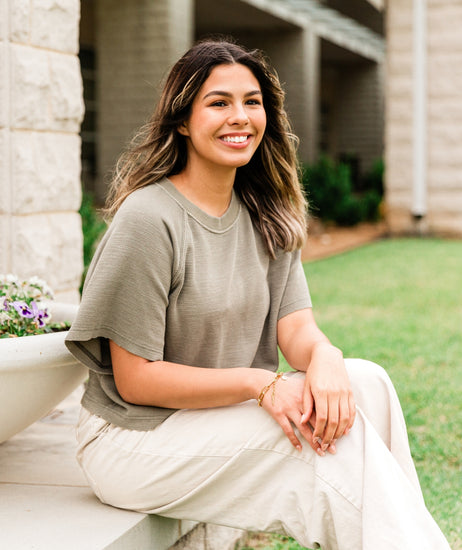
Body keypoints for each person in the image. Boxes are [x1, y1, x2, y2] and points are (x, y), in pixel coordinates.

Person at [65, 39, 450, 550]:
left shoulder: (264, 214)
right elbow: (135, 381)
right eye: (218, 102)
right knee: (316, 435)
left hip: (207, 423)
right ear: (182, 120)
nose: (240, 117)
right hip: (133, 441)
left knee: (367, 383)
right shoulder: (149, 218)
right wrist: (260, 384)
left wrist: (327, 357)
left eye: (252, 101)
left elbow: (297, 331)